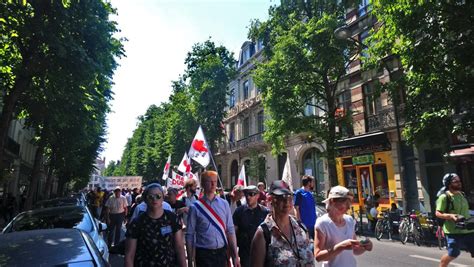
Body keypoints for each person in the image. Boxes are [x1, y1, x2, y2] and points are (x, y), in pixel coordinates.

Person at [250, 180, 314, 267]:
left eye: (289, 197)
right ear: (270, 199)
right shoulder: (263, 234)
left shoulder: (301, 227)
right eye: (281, 197)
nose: (286, 202)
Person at [185, 170, 241, 267]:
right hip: (203, 254)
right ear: (202, 184)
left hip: (221, 253)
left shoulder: (224, 204)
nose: (213, 184)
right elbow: (189, 235)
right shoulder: (195, 207)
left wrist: (235, 256)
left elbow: (230, 230)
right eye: (209, 181)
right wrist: (190, 261)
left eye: (215, 181)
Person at [125, 183, 186, 267]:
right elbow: (129, 255)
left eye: (158, 196)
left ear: (163, 198)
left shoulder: (172, 219)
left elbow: (179, 248)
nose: (154, 199)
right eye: (150, 196)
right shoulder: (137, 222)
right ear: (145, 199)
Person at [314, 186, 372, 267]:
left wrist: (365, 247)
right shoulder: (323, 223)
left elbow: (354, 250)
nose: (348, 207)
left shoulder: (349, 220)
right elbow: (318, 256)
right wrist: (341, 247)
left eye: (349, 203)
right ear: (332, 201)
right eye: (345, 203)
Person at [435, 173, 474, 267]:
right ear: (449, 184)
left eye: (459, 181)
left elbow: (466, 211)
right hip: (453, 231)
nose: (459, 183)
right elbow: (438, 213)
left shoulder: (462, 194)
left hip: (468, 229)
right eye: (455, 181)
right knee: (453, 253)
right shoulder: (444, 197)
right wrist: (451, 216)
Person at [233, 185, 269, 267]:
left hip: (262, 252)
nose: (248, 197)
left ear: (258, 195)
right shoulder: (239, 212)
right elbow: (233, 233)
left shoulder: (265, 212)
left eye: (251, 194)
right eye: (246, 194)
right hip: (245, 252)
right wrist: (234, 254)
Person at [294, 175, 317, 239]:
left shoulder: (310, 193)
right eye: (312, 182)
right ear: (309, 183)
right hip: (305, 224)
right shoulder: (299, 193)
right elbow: (296, 208)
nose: (313, 184)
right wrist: (299, 222)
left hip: (314, 223)